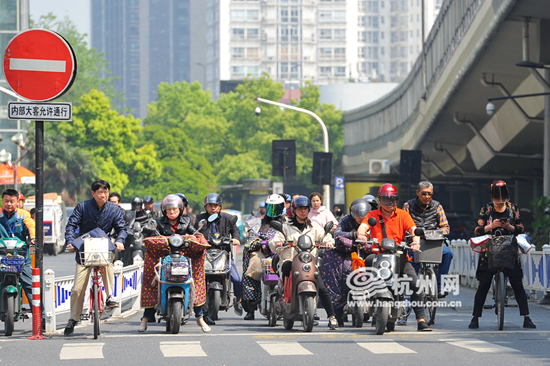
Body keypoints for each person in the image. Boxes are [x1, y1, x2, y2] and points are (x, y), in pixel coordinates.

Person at [356, 183, 432, 331]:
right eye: (386, 199)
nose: (390, 202)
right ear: (380, 200)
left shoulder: (403, 214)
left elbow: (413, 229)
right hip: (378, 255)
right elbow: (364, 226)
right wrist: (361, 235)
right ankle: (371, 298)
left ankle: (421, 319)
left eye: (393, 199)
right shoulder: (373, 215)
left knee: (415, 284)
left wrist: (416, 241)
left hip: (399, 256)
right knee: (368, 262)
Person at [138, 194, 211, 333]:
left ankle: (200, 318)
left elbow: (195, 235)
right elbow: (151, 234)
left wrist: (194, 239)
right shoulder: (158, 223)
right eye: (169, 209)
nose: (172, 212)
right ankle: (145, 318)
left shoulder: (187, 222)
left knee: (194, 281)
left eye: (174, 209)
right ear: (164, 210)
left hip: (183, 258)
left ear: (180, 209)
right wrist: (152, 235)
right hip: (164, 259)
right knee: (151, 281)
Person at [469, 180, 536, 329]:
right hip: (490, 251)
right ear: (492, 197)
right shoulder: (486, 209)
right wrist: (491, 226)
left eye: (502, 199)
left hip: (509, 250)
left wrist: (509, 226)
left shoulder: (513, 208)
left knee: (517, 283)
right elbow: (477, 230)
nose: (500, 202)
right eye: (497, 199)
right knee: (484, 283)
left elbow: (520, 229)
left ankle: (526, 317)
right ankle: (475, 318)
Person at [64, 180, 127, 336]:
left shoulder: (114, 209)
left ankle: (110, 296)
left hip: (103, 248)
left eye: (106, 192)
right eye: (100, 192)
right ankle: (73, 318)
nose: (103, 195)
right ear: (93, 193)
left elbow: (121, 228)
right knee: (77, 289)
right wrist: (70, 241)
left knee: (108, 265)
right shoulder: (83, 207)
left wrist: (120, 240)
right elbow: (71, 225)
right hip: (85, 250)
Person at [269, 195, 339, 330]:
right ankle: (283, 292)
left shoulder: (314, 226)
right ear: (294, 210)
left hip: (309, 264)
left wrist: (329, 241)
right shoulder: (285, 227)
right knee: (287, 266)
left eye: (306, 209)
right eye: (300, 209)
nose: (303, 211)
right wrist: (277, 243)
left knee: (322, 287)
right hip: (290, 260)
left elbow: (325, 236)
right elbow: (274, 241)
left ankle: (332, 317)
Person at [323, 198, 371, 327]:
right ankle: (338, 307)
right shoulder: (345, 220)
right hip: (345, 252)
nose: (360, 218)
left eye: (363, 214)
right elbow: (338, 234)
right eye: (357, 214)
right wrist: (354, 235)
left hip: (366, 252)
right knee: (340, 268)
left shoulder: (371, 221)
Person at [195, 193, 242, 325]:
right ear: (206, 206)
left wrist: (236, 239)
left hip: (223, 254)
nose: (213, 208)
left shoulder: (227, 218)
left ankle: (238, 300)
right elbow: (193, 231)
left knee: (237, 280)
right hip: (205, 255)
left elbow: (235, 230)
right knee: (197, 279)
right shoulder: (199, 219)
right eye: (210, 205)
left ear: (220, 206)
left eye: (216, 205)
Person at [403, 181, 453, 297]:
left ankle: (440, 287)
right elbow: (403, 225)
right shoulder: (408, 205)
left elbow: (446, 227)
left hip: (433, 241)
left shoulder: (437, 206)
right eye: (424, 194)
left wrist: (435, 233)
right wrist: (413, 234)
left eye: (429, 194)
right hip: (414, 241)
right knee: (411, 263)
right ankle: (411, 290)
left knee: (448, 254)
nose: (427, 197)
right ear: (418, 192)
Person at [242, 194, 285, 320]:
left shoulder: (288, 223)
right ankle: (251, 307)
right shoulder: (256, 223)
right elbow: (249, 242)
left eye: (276, 208)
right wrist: (260, 242)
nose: (273, 211)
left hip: (281, 254)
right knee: (253, 267)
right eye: (271, 207)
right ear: (266, 207)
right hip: (262, 253)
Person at [0, 189, 36, 311]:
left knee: (31, 287)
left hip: (21, 258)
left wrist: (33, 238)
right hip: (1, 258)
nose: (9, 204)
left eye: (12, 201)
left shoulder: (24, 215)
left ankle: (40, 319)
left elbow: (31, 227)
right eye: (6, 201)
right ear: (2, 201)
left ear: (17, 202)